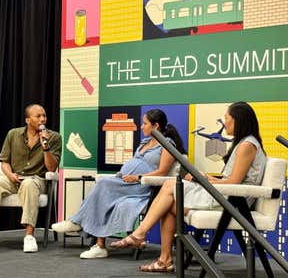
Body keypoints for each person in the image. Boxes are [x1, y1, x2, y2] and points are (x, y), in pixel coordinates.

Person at [110, 101, 267, 272]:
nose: (225, 121)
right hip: (227, 196)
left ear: (238, 120)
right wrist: (206, 177)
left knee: (170, 185)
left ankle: (140, 235)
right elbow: (231, 179)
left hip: (234, 202)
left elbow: (233, 183)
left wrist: (202, 180)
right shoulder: (244, 143)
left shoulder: (246, 145)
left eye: (227, 118)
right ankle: (165, 260)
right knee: (169, 204)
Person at [51, 109, 186, 259]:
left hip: (141, 187)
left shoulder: (167, 144)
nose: (141, 127)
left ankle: (76, 222)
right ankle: (98, 245)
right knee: (104, 195)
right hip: (125, 183)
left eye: (145, 123)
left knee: (103, 184)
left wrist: (138, 177)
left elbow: (162, 172)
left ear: (156, 126)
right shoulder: (145, 142)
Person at [0, 104, 62, 253]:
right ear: (28, 120)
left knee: (28, 184)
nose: (43, 119)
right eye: (38, 116)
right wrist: (10, 175)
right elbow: (4, 161)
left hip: (36, 180)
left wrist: (45, 147)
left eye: (44, 116)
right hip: (14, 178)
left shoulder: (54, 137)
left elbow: (52, 168)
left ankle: (29, 236)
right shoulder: (13, 134)